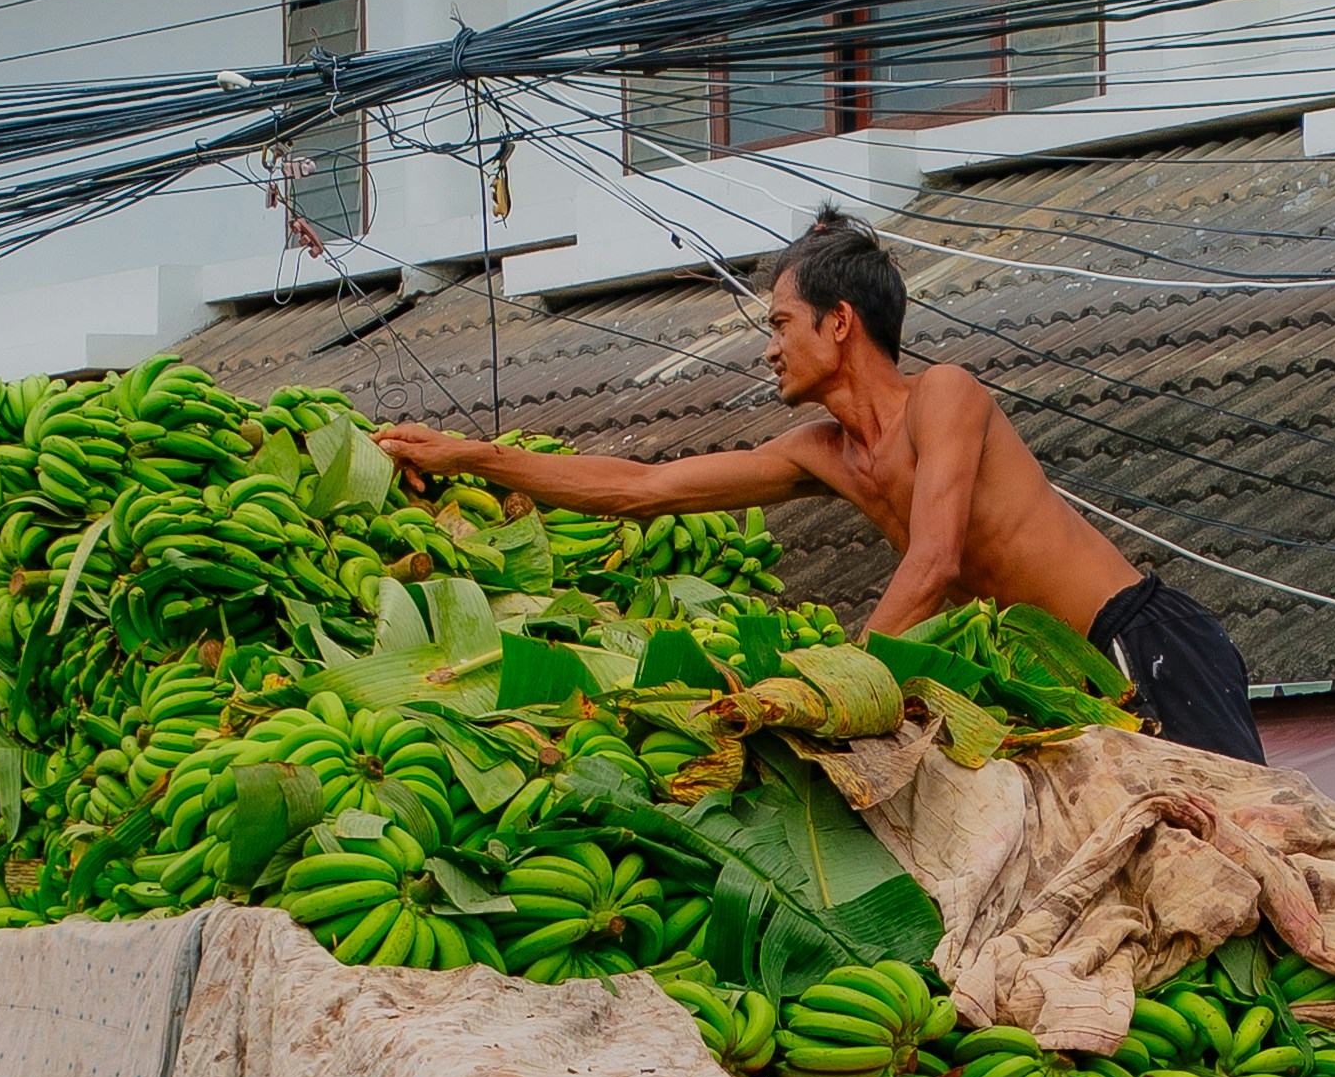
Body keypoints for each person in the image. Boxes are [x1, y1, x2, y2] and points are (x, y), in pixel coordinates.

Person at [378, 210, 1266, 757]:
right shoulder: (821, 452)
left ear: (839, 323)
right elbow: (640, 487)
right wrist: (470, 457)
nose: (768, 345)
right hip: (1055, 685)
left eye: (779, 322)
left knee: (1251, 843)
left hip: (1134, 638)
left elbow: (934, 559)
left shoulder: (946, 396)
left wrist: (834, 683)